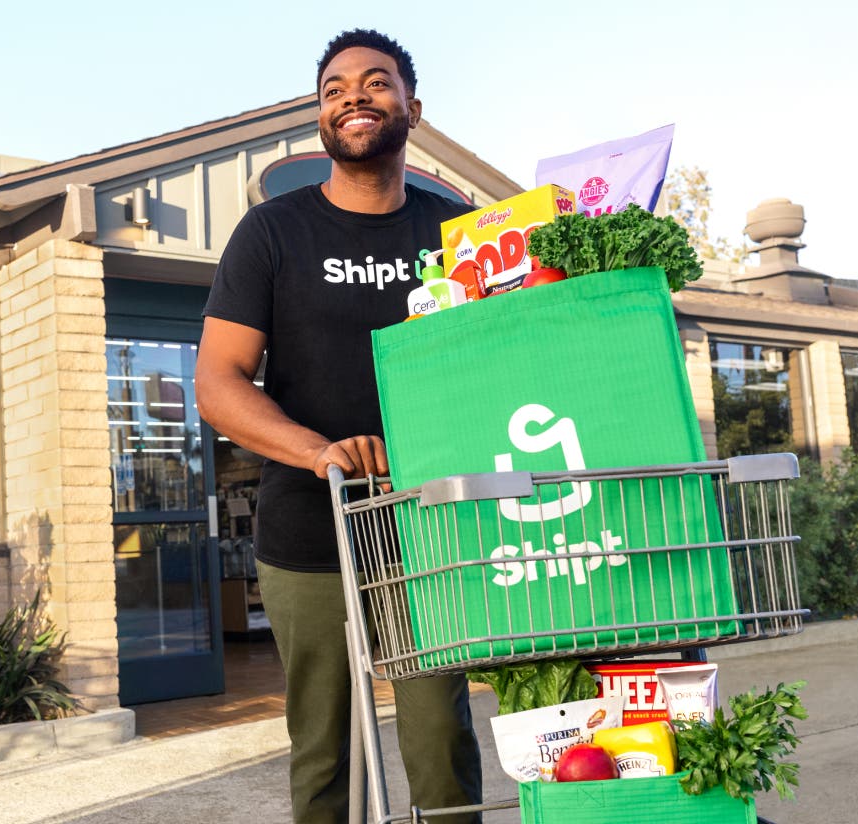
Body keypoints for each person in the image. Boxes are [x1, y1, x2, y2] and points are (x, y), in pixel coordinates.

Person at [195, 28, 483, 824]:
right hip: (309, 525)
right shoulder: (272, 232)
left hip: (430, 524)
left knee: (441, 741)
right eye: (334, 89)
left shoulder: (461, 235)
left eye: (376, 82)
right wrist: (320, 451)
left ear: (412, 109)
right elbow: (218, 384)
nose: (354, 95)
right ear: (321, 118)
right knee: (326, 751)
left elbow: (498, 367)